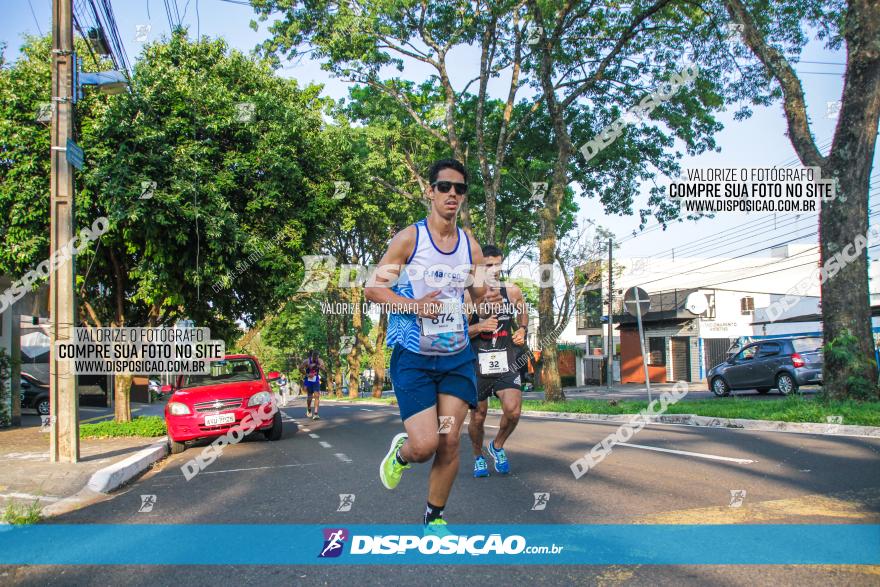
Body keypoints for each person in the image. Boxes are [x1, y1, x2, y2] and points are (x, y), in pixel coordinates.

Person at [365, 158, 500, 535]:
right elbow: (373, 288)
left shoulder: (469, 244)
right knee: (424, 446)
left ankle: (434, 516)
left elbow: (477, 294)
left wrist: (487, 295)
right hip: (415, 359)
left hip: (456, 357)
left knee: (449, 442)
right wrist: (414, 306)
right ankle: (402, 452)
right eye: (445, 187)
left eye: (459, 189)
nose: (452, 194)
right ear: (431, 191)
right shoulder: (411, 238)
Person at [466, 244, 528, 477]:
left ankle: (497, 445)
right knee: (479, 415)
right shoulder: (467, 295)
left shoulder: (511, 291)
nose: (493, 270)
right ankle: (478, 456)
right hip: (476, 362)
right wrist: (479, 326)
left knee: (513, 411)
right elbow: (458, 331)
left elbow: (523, 312)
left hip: (506, 359)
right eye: (488, 265)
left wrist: (522, 329)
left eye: (497, 265)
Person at [300, 350, 325, 420]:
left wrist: (320, 366)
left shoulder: (320, 361)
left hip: (316, 379)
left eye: (317, 358)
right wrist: (307, 374)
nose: (315, 359)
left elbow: (324, 369)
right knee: (309, 397)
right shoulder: (306, 361)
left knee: (317, 396)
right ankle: (308, 408)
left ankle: (316, 413)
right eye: (314, 358)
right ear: (311, 356)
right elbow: (300, 368)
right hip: (308, 380)